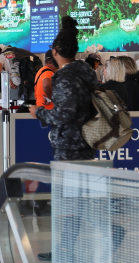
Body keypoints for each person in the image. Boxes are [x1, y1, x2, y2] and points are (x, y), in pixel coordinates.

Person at [29, 17, 98, 161]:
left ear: (55, 52)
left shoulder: (64, 77)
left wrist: (38, 112)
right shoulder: (88, 72)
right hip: (88, 140)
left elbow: (64, 113)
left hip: (70, 144)